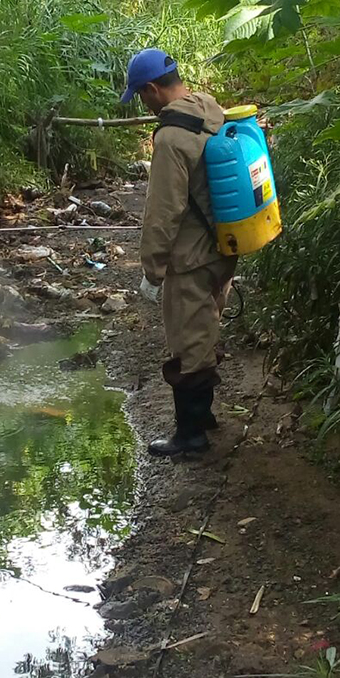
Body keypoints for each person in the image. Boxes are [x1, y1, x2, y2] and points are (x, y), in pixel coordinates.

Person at [120, 48, 237, 457]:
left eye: (140, 95)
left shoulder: (170, 137)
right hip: (223, 247)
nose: (143, 103)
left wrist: (152, 268)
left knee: (188, 343)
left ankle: (190, 436)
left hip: (191, 258)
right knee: (205, 329)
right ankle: (203, 418)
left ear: (152, 89)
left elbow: (163, 210)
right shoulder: (208, 106)